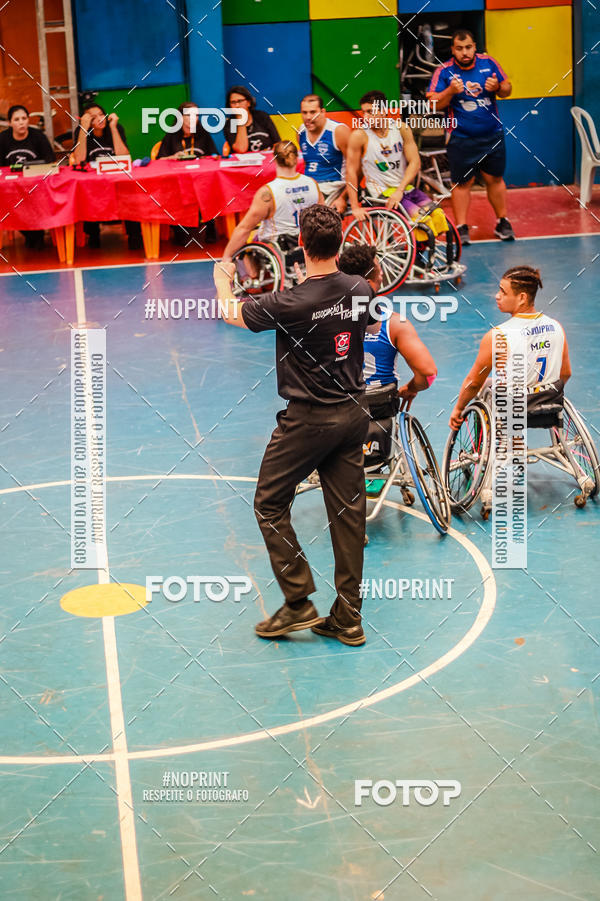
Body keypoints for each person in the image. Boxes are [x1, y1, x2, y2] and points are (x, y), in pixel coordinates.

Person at [213, 205, 375, 647]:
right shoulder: (360, 288)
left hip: (308, 420)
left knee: (269, 503)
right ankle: (348, 617)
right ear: (339, 245)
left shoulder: (289, 302)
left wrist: (222, 279)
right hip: (354, 414)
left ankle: (299, 600)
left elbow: (232, 314)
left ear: (300, 246)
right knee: (348, 516)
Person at [449, 266, 571, 432]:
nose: (497, 296)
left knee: (484, 384)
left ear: (521, 298)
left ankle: (482, 450)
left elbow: (473, 382)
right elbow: (565, 373)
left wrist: (458, 408)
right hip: (550, 402)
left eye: (503, 292)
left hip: (513, 409)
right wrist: (541, 389)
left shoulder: (497, 335)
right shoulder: (556, 327)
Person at [427, 29, 515, 245]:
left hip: (492, 135)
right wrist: (449, 91)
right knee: (462, 183)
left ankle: (502, 221)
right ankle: (461, 227)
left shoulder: (489, 63)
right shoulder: (444, 71)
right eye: (459, 48)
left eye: (468, 47)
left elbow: (507, 89)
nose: (464, 52)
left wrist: (498, 87)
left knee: (494, 179)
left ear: (474, 47)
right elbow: (432, 103)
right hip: (461, 138)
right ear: (453, 50)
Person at [338, 245, 437, 405]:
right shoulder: (395, 324)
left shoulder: (326, 319)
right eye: (379, 268)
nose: (382, 273)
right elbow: (428, 374)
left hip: (339, 410)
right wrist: (411, 388)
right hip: (380, 409)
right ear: (368, 284)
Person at [346, 90, 449, 242]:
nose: (365, 117)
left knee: (438, 215)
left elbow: (415, 163)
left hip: (404, 189)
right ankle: (419, 258)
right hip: (380, 194)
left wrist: (400, 190)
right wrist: (355, 206)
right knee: (421, 220)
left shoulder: (401, 128)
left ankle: (422, 252)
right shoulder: (359, 136)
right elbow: (351, 172)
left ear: (383, 111)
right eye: (364, 112)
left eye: (370, 112)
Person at [221, 140, 321, 262]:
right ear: (296, 157)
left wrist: (226, 257)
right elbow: (323, 219)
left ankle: (251, 276)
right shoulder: (312, 183)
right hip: (308, 244)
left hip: (280, 249)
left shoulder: (268, 192)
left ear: (274, 159)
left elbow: (243, 229)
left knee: (247, 234)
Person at [72, 102, 142, 250]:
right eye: (93, 117)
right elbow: (78, 159)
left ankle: (135, 235)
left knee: (130, 191)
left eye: (101, 114)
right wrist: (83, 129)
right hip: (94, 181)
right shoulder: (81, 131)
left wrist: (113, 128)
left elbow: (124, 157)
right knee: (87, 193)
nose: (100, 119)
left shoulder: (115, 128)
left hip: (116, 178)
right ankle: (93, 234)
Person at [156, 102, 218, 245]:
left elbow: (215, 155)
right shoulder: (171, 135)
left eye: (196, 115)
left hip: (200, 179)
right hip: (178, 181)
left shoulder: (203, 134)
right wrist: (172, 157)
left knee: (208, 190)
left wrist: (208, 158)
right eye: (189, 115)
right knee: (172, 192)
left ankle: (210, 226)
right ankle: (178, 229)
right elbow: (160, 159)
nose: (193, 119)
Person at [0, 104, 54, 250]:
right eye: (17, 119)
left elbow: (49, 159)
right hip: (11, 188)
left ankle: (35, 234)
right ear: (10, 123)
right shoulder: (3, 139)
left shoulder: (38, 136)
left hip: (36, 186)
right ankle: (33, 235)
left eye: (24, 118)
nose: (21, 122)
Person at [298, 93, 350, 213]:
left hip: (333, 187)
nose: (308, 117)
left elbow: (357, 169)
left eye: (312, 112)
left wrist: (343, 197)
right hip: (308, 188)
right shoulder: (301, 131)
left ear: (322, 112)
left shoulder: (338, 131)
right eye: (304, 113)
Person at [222, 85, 280, 155]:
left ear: (249, 102)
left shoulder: (262, 116)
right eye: (233, 102)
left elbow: (277, 143)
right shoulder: (230, 124)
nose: (237, 105)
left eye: (240, 101)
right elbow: (241, 149)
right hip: (243, 163)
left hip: (266, 160)